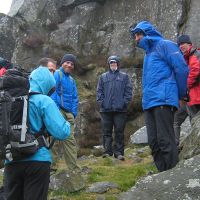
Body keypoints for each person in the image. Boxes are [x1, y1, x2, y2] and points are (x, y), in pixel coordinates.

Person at [130, 21, 189, 171]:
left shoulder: (165, 45)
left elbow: (181, 68)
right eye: (135, 36)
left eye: (138, 34)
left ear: (147, 32)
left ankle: (173, 177)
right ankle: (162, 176)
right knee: (154, 143)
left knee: (165, 140)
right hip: (149, 103)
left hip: (164, 99)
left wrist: (182, 94)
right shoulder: (148, 54)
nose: (136, 38)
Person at [4, 66, 71, 200]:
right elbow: (62, 132)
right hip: (37, 160)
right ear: (46, 84)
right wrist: (68, 122)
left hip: (11, 159)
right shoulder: (43, 101)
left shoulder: (9, 99)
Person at [96, 55, 132, 161]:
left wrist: (124, 103)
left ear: (118, 64)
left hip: (120, 110)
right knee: (106, 132)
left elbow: (128, 91)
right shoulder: (103, 77)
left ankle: (119, 153)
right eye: (111, 63)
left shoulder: (124, 77)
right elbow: (99, 91)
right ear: (109, 64)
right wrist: (102, 103)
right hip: (105, 110)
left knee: (119, 131)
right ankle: (107, 152)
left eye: (115, 63)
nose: (113, 64)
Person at [51, 53, 80, 171]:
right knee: (54, 141)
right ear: (62, 63)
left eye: (72, 64)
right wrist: (56, 109)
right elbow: (53, 91)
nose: (69, 65)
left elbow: (75, 97)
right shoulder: (57, 74)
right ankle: (51, 168)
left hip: (69, 114)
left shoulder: (72, 80)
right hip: (58, 111)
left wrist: (73, 113)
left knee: (70, 141)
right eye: (67, 62)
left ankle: (74, 169)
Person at [177, 34, 200, 119]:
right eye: (179, 45)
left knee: (195, 121)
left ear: (189, 44)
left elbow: (195, 71)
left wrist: (186, 87)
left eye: (183, 43)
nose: (181, 46)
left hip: (197, 96)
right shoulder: (188, 57)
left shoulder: (194, 54)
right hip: (194, 97)